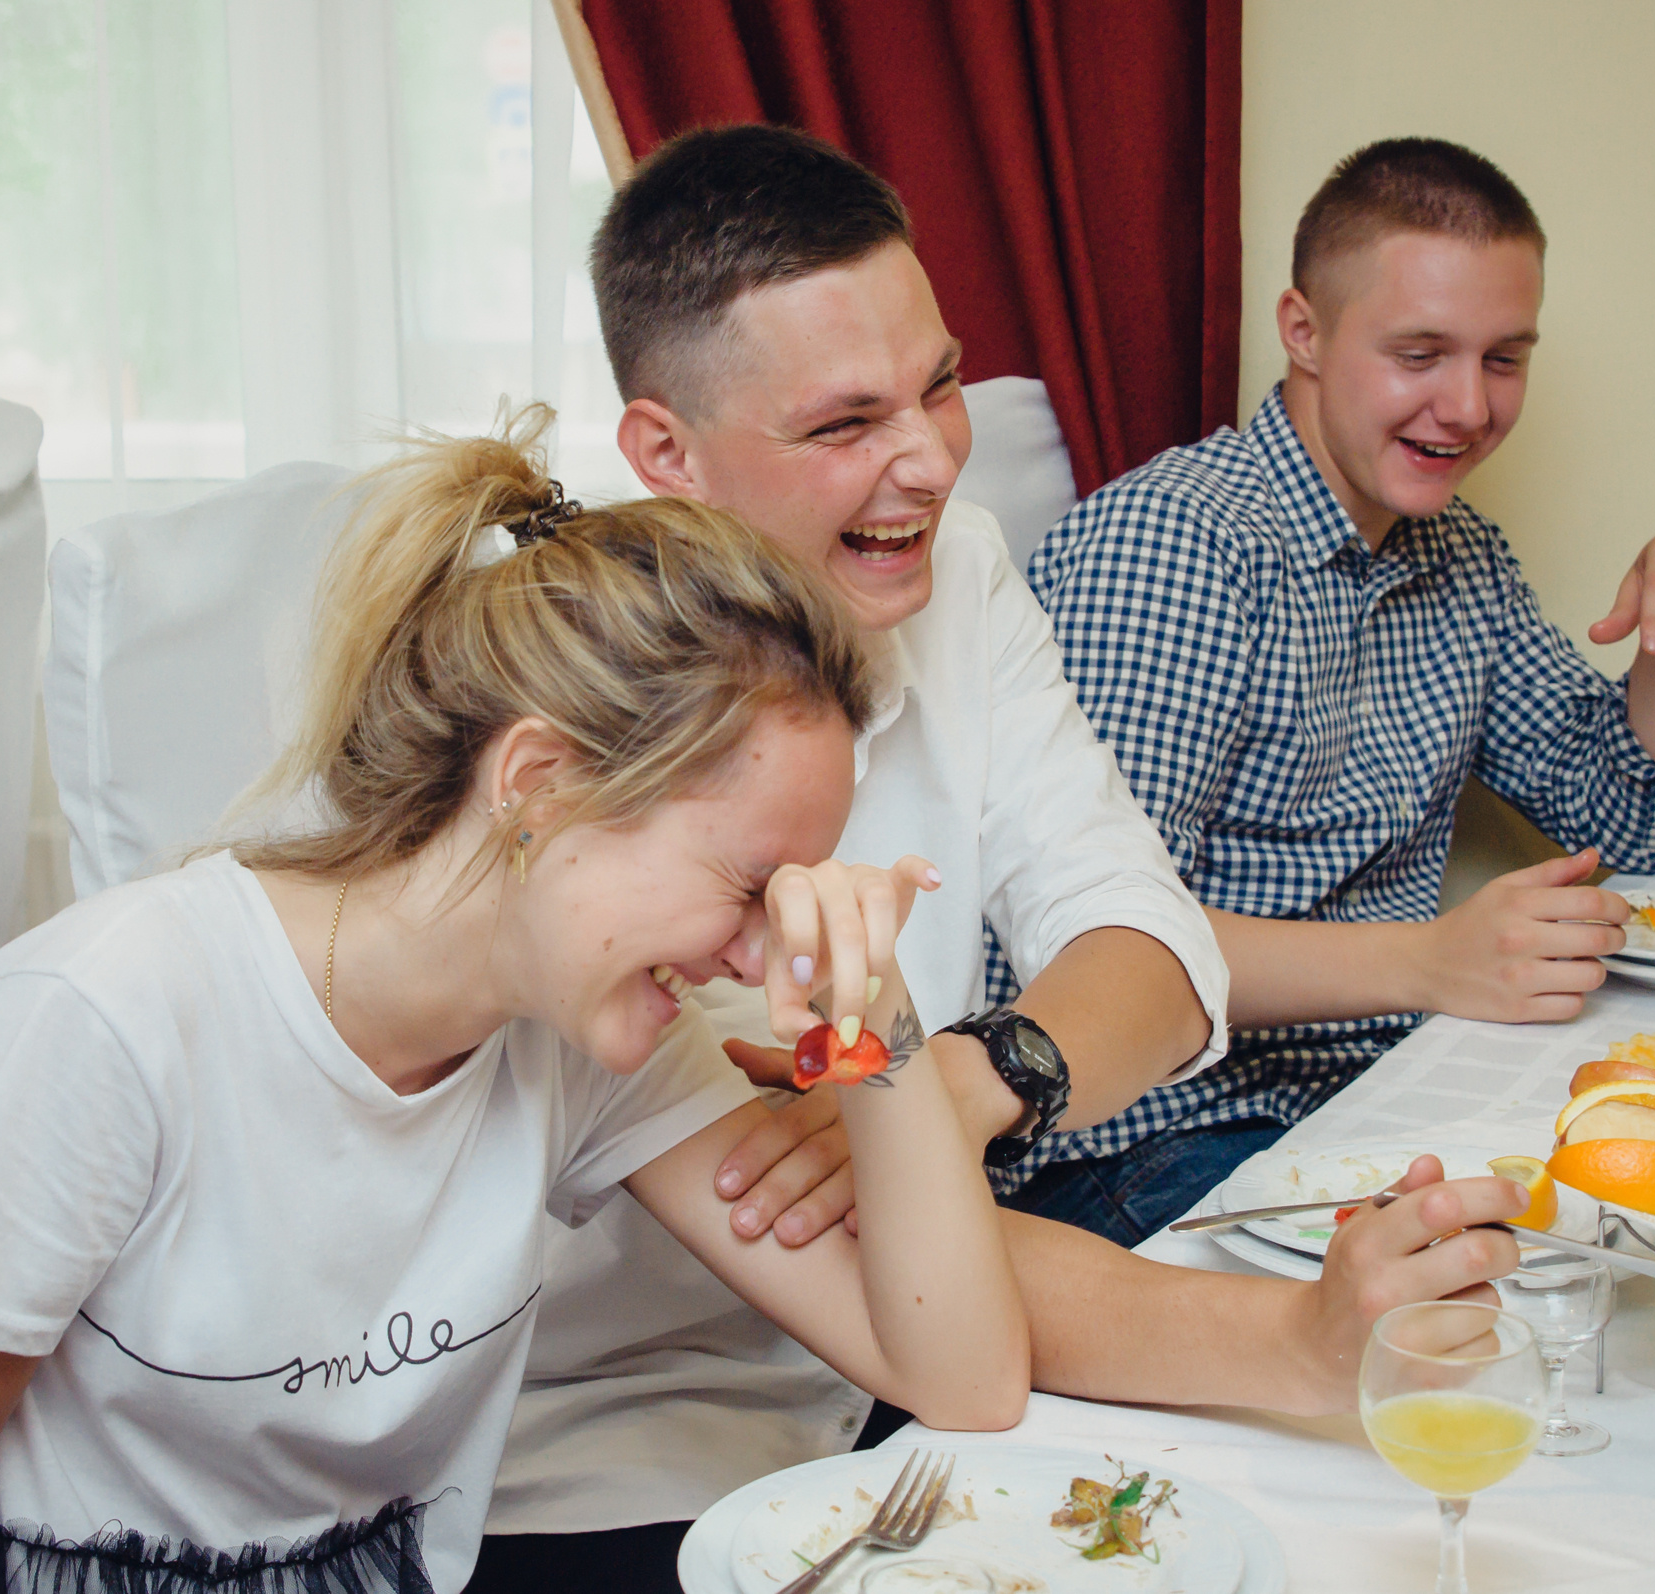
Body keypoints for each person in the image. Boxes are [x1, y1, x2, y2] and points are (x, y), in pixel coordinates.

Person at [474, 125, 1528, 1594]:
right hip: (608, 1455)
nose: (929, 459)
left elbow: (1155, 954)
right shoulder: (590, 742)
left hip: (903, 1393)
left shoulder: (954, 568)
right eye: (845, 425)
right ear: (665, 451)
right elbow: (832, 1216)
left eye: (942, 384)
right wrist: (1287, 1348)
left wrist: (962, 1084)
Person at [0, 410, 1032, 1594]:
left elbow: (960, 1377)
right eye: (751, 885)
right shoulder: (99, 1021)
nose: (764, 960)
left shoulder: (590, 1033)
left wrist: (876, 1011)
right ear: (538, 782)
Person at [1022, 136, 1655, 1232]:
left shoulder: (1457, 554)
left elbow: (1629, 820)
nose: (1468, 406)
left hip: (1367, 1099)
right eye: (1420, 353)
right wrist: (1428, 962)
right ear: (1304, 331)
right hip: (1152, 1137)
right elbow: (1099, 945)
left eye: (1504, 358)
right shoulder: (1179, 544)